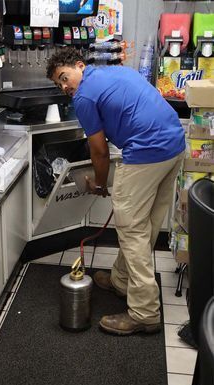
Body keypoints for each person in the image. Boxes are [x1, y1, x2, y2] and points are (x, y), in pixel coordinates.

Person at [46, 47, 185, 335]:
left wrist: (98, 184)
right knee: (145, 224)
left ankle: (144, 313)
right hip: (174, 145)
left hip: (147, 152)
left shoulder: (84, 96)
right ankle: (122, 280)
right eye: (58, 84)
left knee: (131, 229)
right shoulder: (117, 71)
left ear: (80, 66)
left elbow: (99, 152)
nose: (64, 87)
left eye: (64, 78)